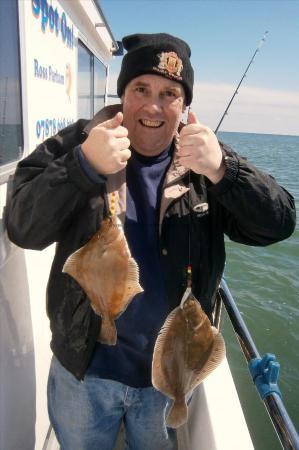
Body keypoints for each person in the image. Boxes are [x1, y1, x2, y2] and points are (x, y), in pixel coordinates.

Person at [6, 33, 296, 450]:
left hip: (167, 376)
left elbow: (280, 222)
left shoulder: (207, 161)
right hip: (82, 370)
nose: (154, 106)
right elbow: (22, 226)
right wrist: (83, 167)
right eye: (141, 89)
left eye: (170, 94)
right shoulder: (79, 144)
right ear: (122, 93)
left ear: (185, 105)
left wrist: (223, 170)